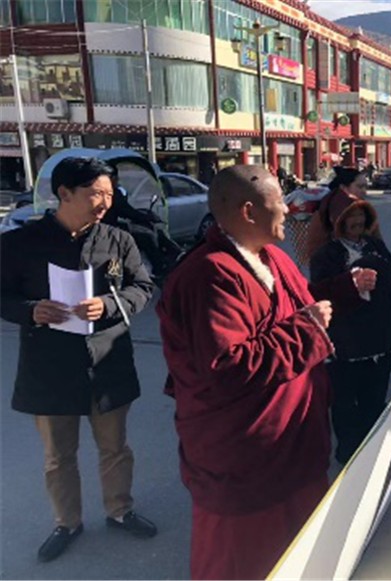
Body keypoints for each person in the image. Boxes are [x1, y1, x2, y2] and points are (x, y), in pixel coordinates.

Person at [156, 165, 336, 580]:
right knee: (243, 561)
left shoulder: (272, 257)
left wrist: (345, 290)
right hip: (243, 454)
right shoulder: (209, 275)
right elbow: (228, 366)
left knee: (300, 549)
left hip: (291, 441)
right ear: (249, 211)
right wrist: (308, 330)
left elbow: (300, 308)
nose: (288, 211)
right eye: (280, 202)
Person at [0, 157, 157, 563]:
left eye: (109, 194)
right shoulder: (20, 243)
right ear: (64, 193)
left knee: (115, 447)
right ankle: (66, 522)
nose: (104, 202)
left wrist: (109, 304)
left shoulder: (118, 240)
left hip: (108, 361)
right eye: (95, 194)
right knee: (58, 455)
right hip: (49, 366)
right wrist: (30, 310)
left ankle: (120, 510)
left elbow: (143, 287)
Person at [310, 198, 391, 463]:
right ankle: (349, 454)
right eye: (350, 216)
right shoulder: (326, 254)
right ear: (335, 221)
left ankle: (375, 452)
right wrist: (351, 281)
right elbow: (319, 292)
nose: (357, 221)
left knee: (375, 400)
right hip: (345, 342)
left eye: (360, 215)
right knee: (345, 403)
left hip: (378, 337)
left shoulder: (375, 246)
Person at [305, 166, 374, 259]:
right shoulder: (339, 205)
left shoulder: (336, 200)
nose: (364, 191)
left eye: (366, 187)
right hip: (331, 259)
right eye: (360, 187)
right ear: (343, 187)